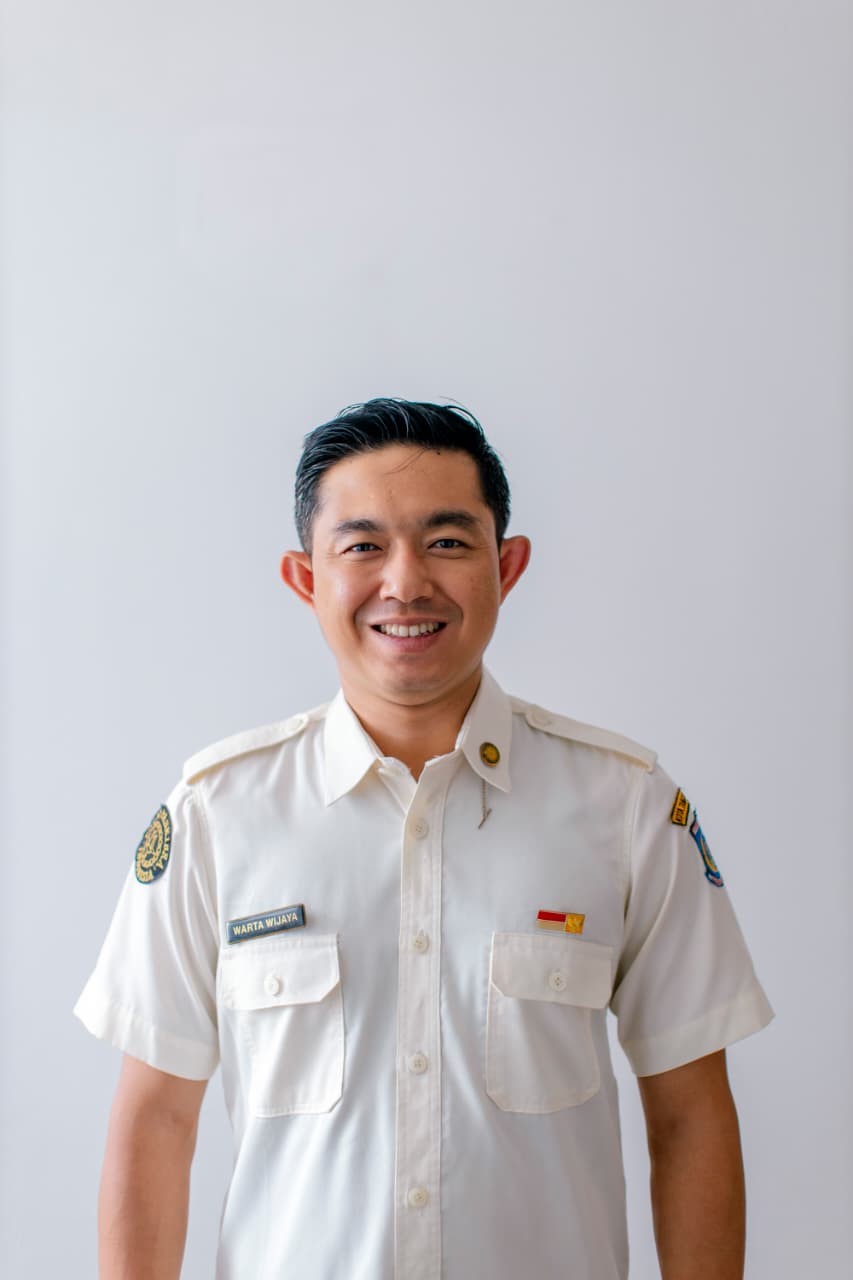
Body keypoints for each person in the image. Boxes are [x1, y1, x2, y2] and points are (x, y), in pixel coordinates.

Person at [76, 398, 773, 1280]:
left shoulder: (624, 805)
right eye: (362, 546)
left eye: (446, 541)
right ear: (305, 578)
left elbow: (690, 1115)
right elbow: (155, 1120)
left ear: (505, 566)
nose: (404, 583)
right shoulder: (216, 814)